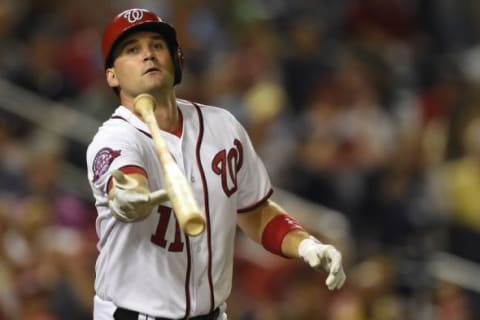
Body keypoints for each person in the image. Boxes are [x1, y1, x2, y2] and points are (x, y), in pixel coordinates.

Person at [86, 8, 346, 320]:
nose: (148, 55)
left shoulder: (222, 126)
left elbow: (255, 212)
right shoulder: (115, 138)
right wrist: (130, 197)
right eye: (132, 49)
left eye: (157, 45)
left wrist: (305, 245)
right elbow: (127, 183)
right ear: (112, 74)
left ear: (176, 58)